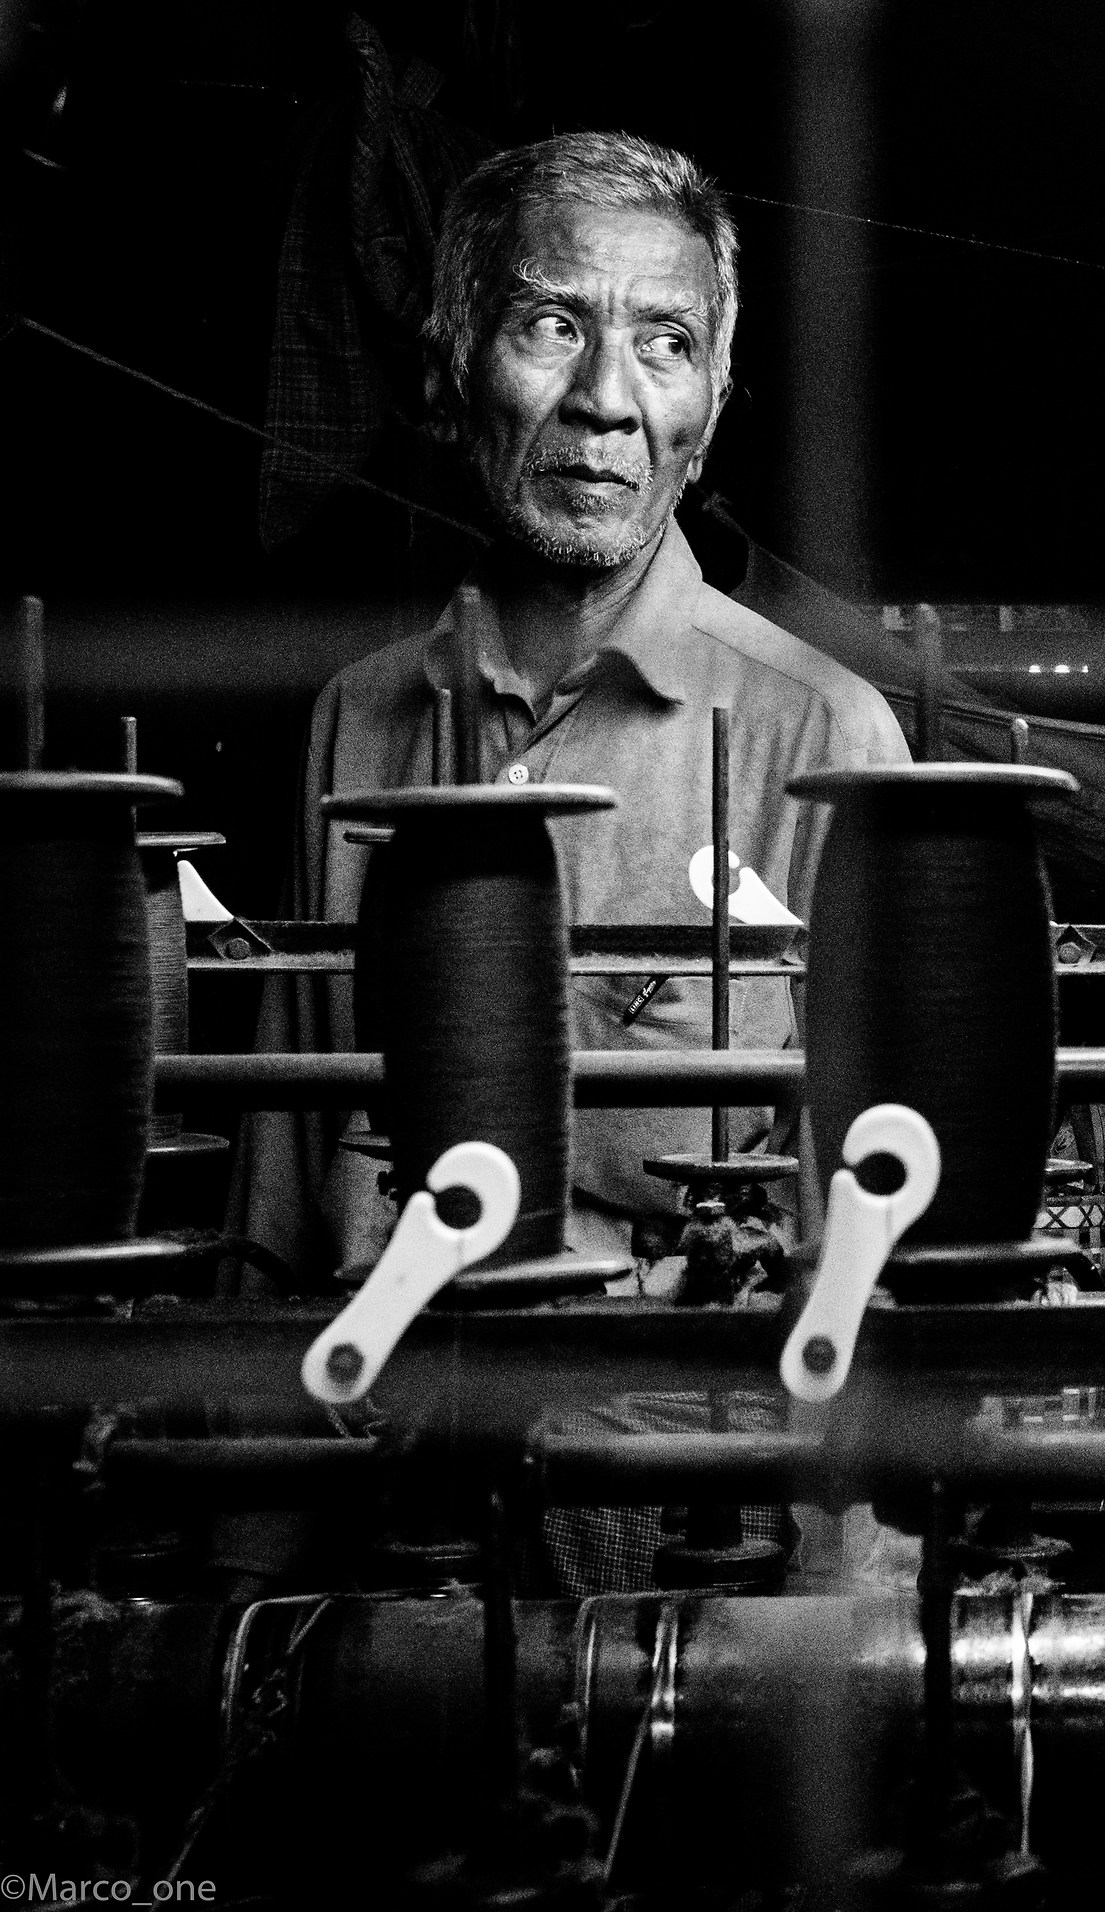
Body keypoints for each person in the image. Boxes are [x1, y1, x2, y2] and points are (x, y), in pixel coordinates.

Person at [228, 131, 910, 1599]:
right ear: (456, 360)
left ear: (714, 404)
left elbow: (871, 1264)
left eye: (666, 344)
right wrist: (242, 1610)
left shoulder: (822, 730)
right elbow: (284, 1208)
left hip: (684, 1543)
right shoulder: (360, 716)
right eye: (553, 325)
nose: (607, 400)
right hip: (388, 1519)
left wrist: (829, 1668)